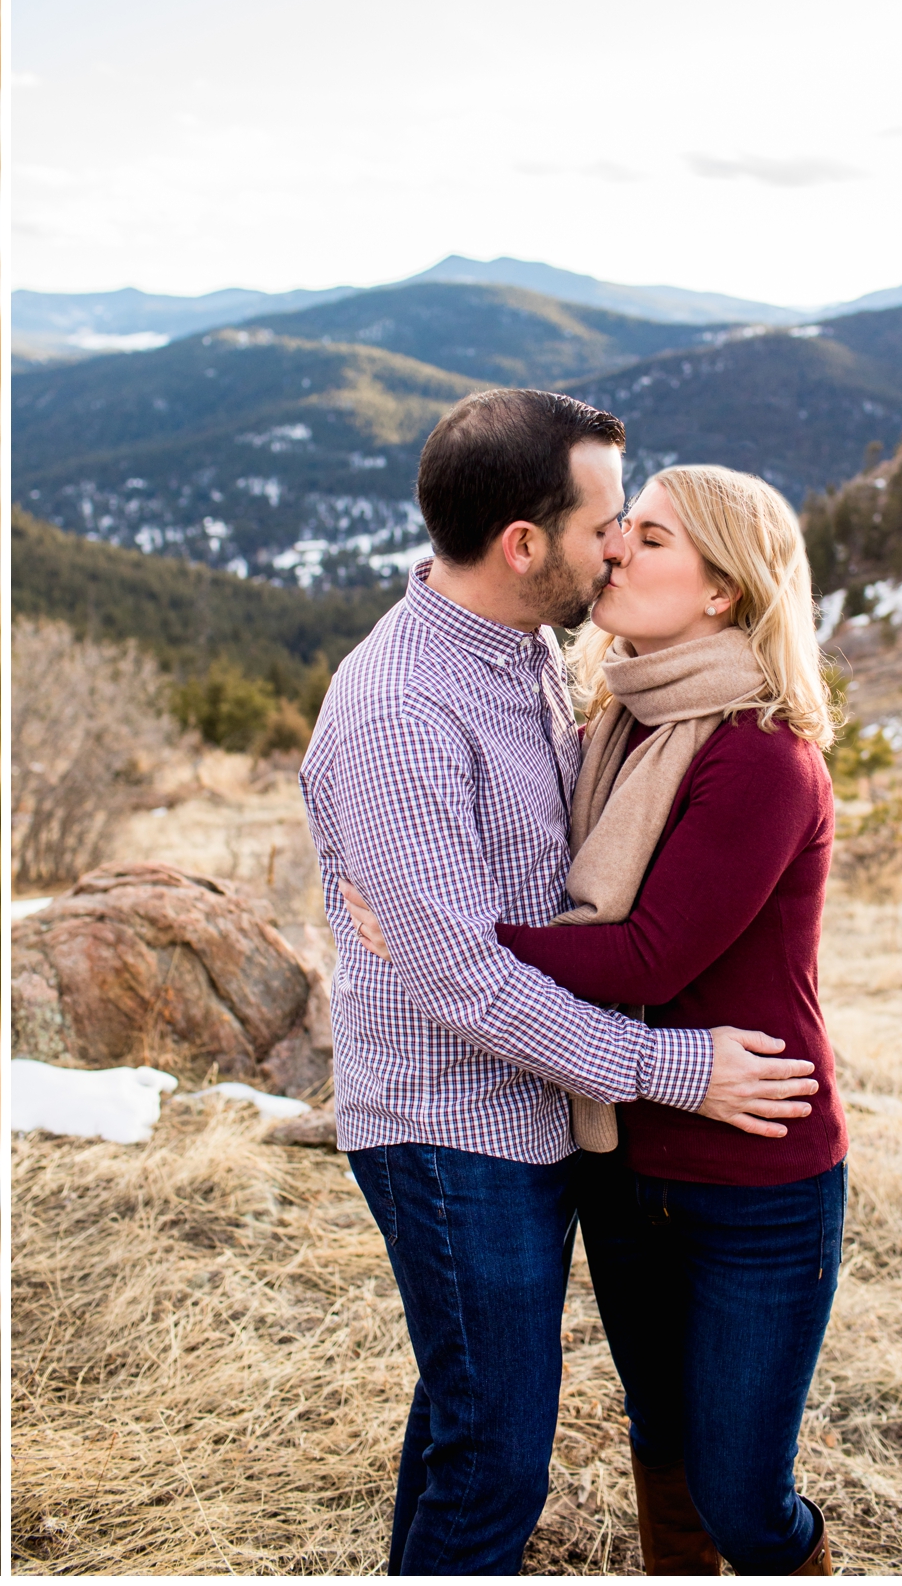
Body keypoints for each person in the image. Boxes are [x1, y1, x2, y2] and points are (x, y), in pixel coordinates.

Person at [297, 388, 823, 1576]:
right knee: (494, 1462)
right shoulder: (399, 711)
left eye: (640, 530)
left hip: (543, 1110)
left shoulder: (533, 649)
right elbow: (467, 987)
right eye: (604, 526)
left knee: (465, 1410)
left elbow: (539, 912)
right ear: (525, 545)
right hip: (452, 1126)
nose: (617, 547)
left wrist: (467, 939)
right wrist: (671, 1066)